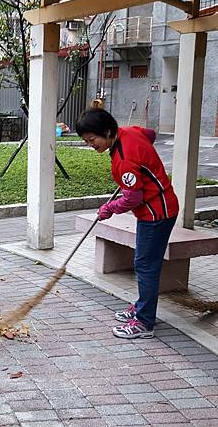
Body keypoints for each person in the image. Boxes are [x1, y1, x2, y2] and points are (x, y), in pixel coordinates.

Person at [75, 108, 179, 339]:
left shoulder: (123, 160)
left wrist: (109, 209)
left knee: (145, 266)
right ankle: (143, 307)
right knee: (145, 263)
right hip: (161, 207)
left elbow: (133, 198)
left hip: (156, 214)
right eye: (86, 141)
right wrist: (144, 161)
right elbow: (150, 134)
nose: (91, 145)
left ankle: (144, 322)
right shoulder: (130, 132)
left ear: (108, 131)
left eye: (92, 140)